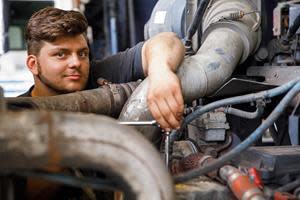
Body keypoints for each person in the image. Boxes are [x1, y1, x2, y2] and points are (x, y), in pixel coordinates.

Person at [21, 7, 185, 131]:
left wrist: (161, 72)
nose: (76, 63)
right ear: (33, 65)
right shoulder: (17, 115)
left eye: (82, 53)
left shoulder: (97, 72)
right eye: (61, 54)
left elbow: (167, 40)